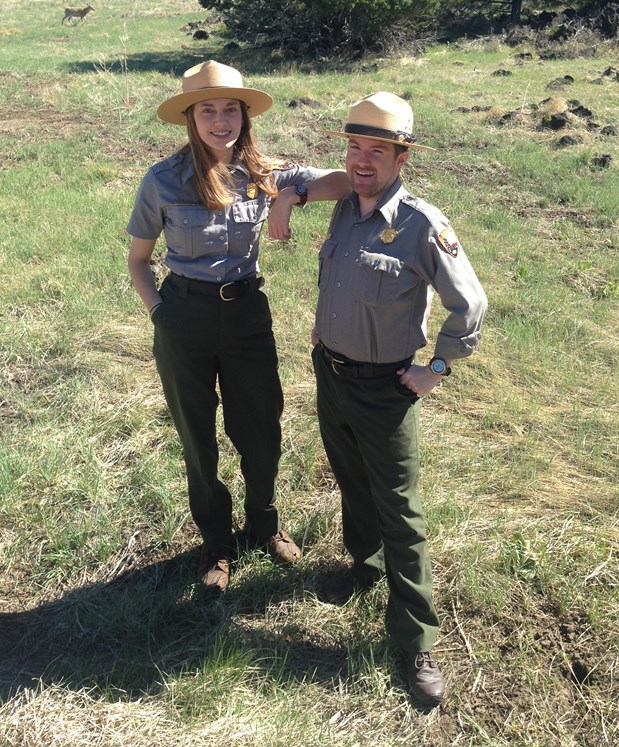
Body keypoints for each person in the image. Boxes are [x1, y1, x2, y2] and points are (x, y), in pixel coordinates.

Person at [126, 60, 350, 593]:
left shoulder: (266, 173)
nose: (220, 120)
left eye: (231, 109)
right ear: (191, 118)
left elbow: (343, 182)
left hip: (248, 315)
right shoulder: (162, 180)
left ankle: (263, 525)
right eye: (208, 110)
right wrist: (162, 314)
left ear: (245, 117)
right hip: (184, 316)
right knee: (197, 437)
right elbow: (138, 260)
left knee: (260, 428)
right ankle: (217, 543)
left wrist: (290, 196)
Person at [310, 92, 487, 707]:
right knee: (350, 478)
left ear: (401, 156)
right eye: (355, 147)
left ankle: (415, 643)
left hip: (385, 387)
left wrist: (436, 366)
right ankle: (360, 565)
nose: (362, 160)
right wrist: (284, 196)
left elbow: (472, 303)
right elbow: (295, 178)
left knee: (402, 512)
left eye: (377, 150)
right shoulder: (345, 209)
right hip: (330, 375)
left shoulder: (421, 224)